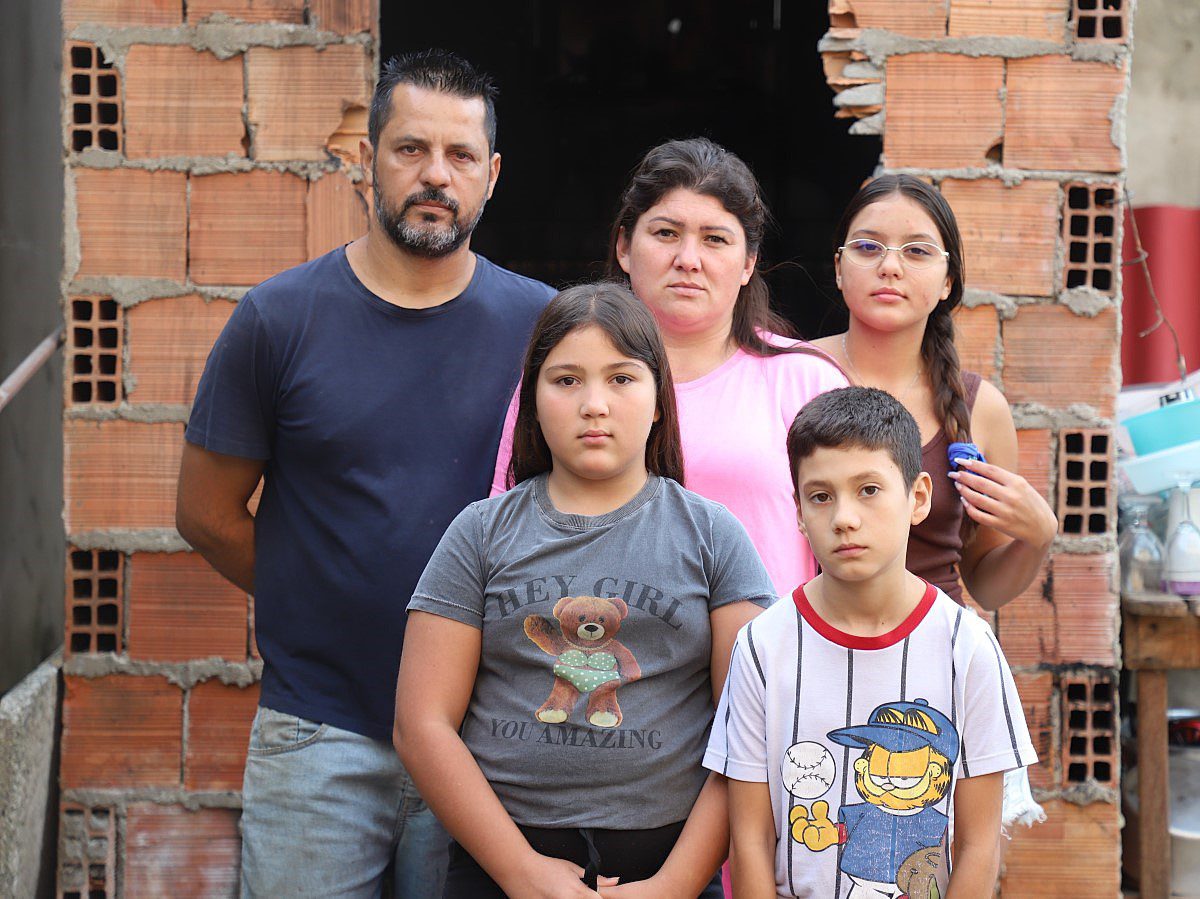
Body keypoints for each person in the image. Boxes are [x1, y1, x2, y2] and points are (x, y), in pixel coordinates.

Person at [175, 50, 553, 896]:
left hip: (486, 735)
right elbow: (206, 511)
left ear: (491, 177)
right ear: (365, 160)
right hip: (318, 733)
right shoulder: (279, 318)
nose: (434, 175)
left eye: (460, 157)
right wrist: (315, 594)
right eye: (410, 149)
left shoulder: (542, 327)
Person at [396, 283, 778, 898]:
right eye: (566, 380)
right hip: (499, 864)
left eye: (622, 379)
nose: (594, 404)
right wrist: (521, 874)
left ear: (658, 399)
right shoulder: (480, 534)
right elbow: (421, 724)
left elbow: (750, 731)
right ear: (533, 399)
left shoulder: (713, 537)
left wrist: (674, 886)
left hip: (669, 865)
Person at [706, 386, 1037, 898]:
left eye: (868, 490)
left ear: (919, 498)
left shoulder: (966, 647)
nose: (844, 517)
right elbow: (749, 838)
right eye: (821, 496)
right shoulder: (762, 646)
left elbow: (977, 845)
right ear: (797, 511)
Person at [493, 138, 847, 596]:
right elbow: (504, 529)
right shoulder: (565, 376)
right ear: (624, 246)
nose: (688, 260)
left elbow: (858, 544)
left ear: (749, 263)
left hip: (760, 660)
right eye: (665, 234)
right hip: (594, 656)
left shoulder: (805, 380)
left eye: (715, 239)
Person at [811, 174, 1056, 827]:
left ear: (948, 280)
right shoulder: (791, 377)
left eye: (917, 251)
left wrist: (1037, 535)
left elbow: (985, 582)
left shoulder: (980, 408)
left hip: (932, 679)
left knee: (929, 862)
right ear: (838, 268)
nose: (890, 265)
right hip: (810, 663)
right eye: (867, 247)